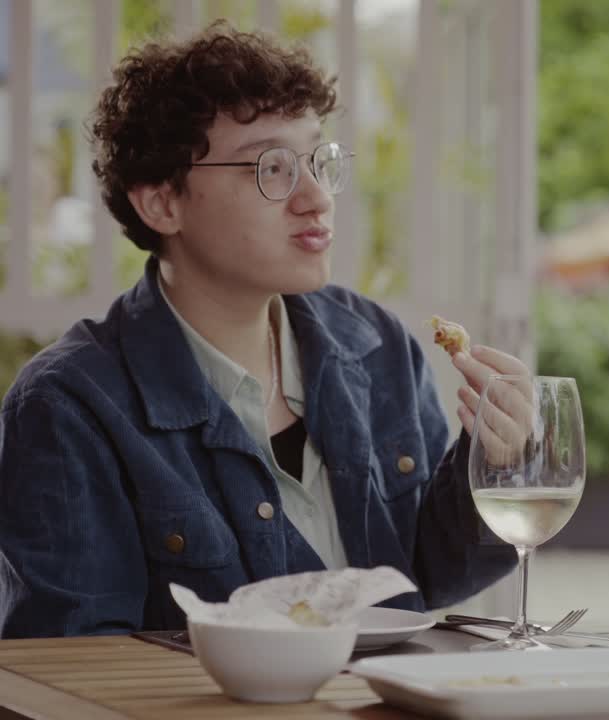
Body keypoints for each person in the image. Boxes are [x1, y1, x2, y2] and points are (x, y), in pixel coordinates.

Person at [0, 23, 522, 637]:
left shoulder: (376, 344)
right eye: (270, 167)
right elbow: (73, 670)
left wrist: (493, 464)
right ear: (162, 204)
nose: (315, 197)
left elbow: (426, 574)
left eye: (318, 160)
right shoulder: (71, 405)